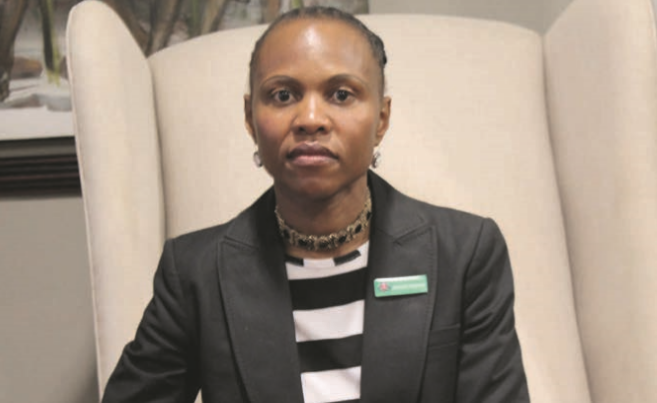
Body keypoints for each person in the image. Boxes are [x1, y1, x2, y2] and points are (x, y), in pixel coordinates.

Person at [102, 6, 529, 403]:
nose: (310, 119)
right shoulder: (195, 273)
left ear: (381, 119)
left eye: (341, 94)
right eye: (282, 95)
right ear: (250, 118)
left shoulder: (465, 254)